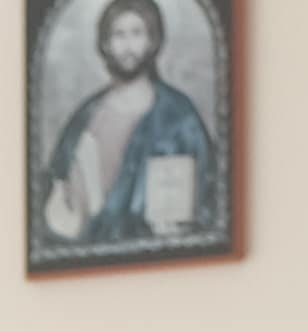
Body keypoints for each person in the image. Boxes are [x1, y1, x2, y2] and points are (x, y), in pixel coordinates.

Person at [35, 0, 223, 249]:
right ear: (105, 43)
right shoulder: (85, 117)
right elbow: (56, 194)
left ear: (152, 40)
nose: (128, 46)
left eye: (136, 33)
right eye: (119, 35)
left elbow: (210, 196)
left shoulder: (179, 116)